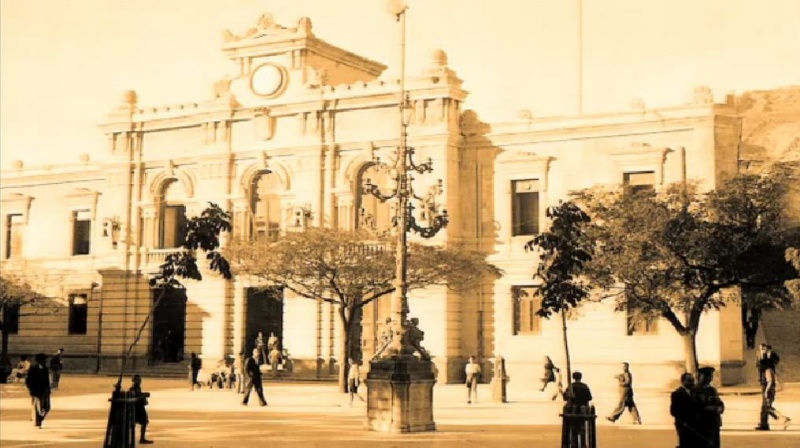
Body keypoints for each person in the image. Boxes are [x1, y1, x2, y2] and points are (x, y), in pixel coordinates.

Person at [693, 366, 725, 448]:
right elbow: (694, 406)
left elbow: (718, 402)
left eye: (710, 376)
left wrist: (720, 408)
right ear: (700, 376)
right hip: (702, 424)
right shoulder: (695, 390)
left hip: (714, 423)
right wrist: (706, 409)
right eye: (706, 376)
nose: (708, 378)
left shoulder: (712, 390)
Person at [756, 367, 791, 431]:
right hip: (771, 391)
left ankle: (784, 419)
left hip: (769, 391)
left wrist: (766, 391)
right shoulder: (771, 370)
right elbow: (776, 381)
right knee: (765, 408)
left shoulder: (767, 371)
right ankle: (764, 424)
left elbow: (770, 381)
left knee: (768, 408)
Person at [670, 372, 698, 447]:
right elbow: (673, 411)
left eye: (692, 380)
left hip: (695, 424)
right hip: (683, 425)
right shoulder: (677, 394)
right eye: (689, 380)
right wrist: (684, 420)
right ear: (683, 381)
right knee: (685, 443)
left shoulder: (696, 392)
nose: (692, 382)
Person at [25, 353, 51, 428]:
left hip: (45, 390)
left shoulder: (45, 368)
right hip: (37, 391)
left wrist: (48, 389)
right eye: (45, 360)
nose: (46, 361)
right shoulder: (33, 368)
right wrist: (32, 390)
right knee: (39, 407)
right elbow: (28, 380)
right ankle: (38, 421)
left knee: (47, 408)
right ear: (40, 361)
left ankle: (40, 418)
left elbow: (47, 380)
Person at [129, 375, 153, 444]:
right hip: (136, 408)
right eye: (138, 380)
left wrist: (144, 395)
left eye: (140, 380)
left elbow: (139, 395)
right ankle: (133, 439)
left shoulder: (138, 388)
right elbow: (135, 398)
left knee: (144, 422)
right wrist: (143, 396)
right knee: (133, 424)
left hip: (140, 408)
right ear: (134, 381)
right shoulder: (132, 389)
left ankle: (142, 438)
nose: (139, 381)